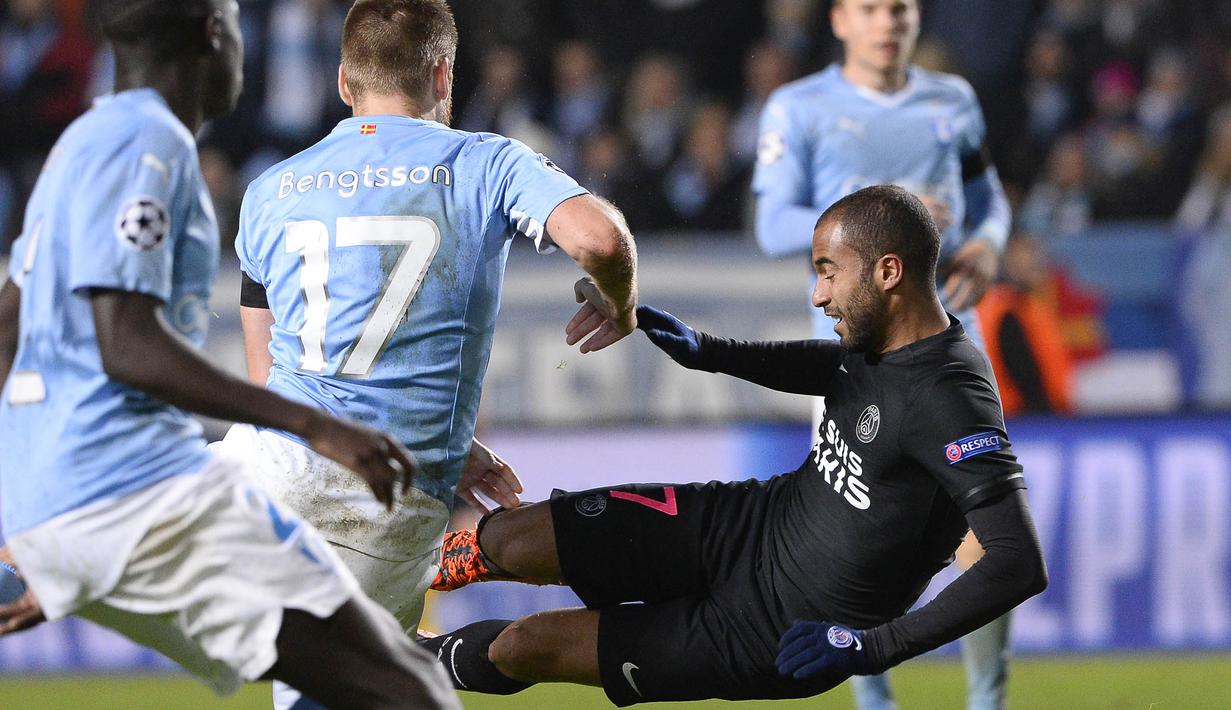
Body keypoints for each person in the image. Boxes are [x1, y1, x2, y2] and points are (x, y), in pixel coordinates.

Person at [422, 185, 1047, 706]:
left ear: (888, 273)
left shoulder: (949, 398)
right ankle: (390, 575)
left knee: (526, 645)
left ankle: (410, 666)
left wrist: (873, 646)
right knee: (511, 536)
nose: (818, 294)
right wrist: (706, 350)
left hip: (762, 634)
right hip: (741, 525)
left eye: (829, 272)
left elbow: (1017, 560)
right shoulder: (884, 346)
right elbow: (833, 370)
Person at [0, 2, 458, 708]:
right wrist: (315, 423)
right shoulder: (150, 144)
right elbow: (128, 344)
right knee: (409, 688)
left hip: (66, 499)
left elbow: (7, 328)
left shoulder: (82, 142)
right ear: (216, 33)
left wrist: (43, 515)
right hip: (137, 490)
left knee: (346, 681)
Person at [223, 1, 638, 707]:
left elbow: (269, 368)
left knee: (71, 545)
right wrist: (620, 302)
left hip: (262, 465)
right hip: (379, 499)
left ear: (344, 84)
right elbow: (599, 240)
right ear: (444, 73)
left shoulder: (271, 188)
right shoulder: (485, 161)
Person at [751, 2, 1013, 708]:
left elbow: (988, 199)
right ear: (839, 20)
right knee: (858, 548)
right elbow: (772, 222)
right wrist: (886, 216)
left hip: (950, 344)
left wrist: (987, 243)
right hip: (853, 355)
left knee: (984, 538)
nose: (887, 21)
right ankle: (874, 703)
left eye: (898, 7)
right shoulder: (798, 107)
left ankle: (987, 701)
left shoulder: (951, 101)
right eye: (869, 8)